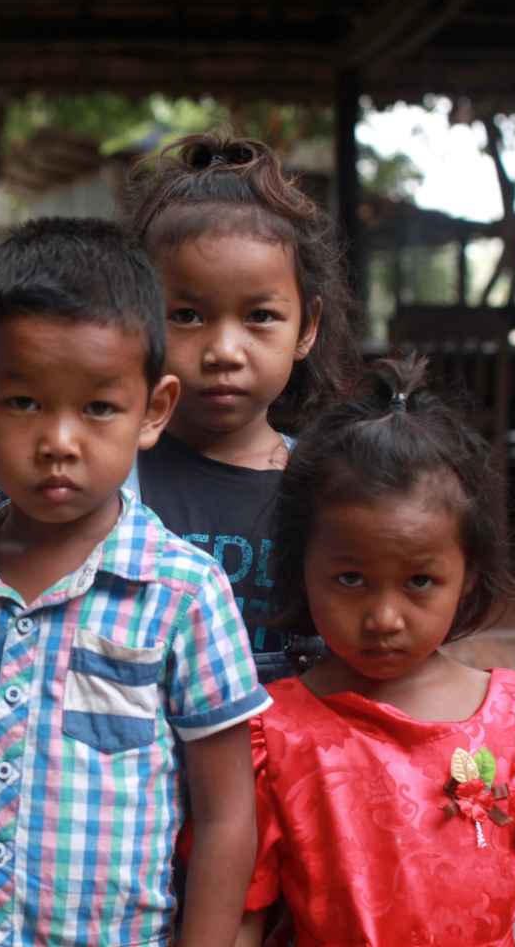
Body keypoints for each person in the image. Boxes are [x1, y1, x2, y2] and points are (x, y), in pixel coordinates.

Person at [0, 218, 271, 947]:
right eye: (23, 402)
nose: (59, 443)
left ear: (153, 411)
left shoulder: (183, 594)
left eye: (99, 407)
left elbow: (227, 816)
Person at [238, 355, 515, 947]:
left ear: (468, 574)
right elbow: (245, 908)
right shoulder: (271, 733)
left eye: (418, 581)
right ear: (302, 568)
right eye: (351, 579)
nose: (384, 618)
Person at [122, 134, 359, 682]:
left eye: (259, 316)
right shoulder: (109, 482)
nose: (225, 352)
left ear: (308, 326)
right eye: (186, 315)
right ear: (137, 318)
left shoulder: (330, 490)